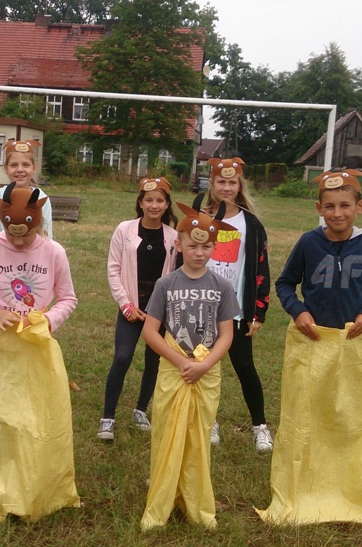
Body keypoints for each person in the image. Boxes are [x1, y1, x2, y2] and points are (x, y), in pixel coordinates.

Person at [261, 168, 362, 533]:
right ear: (319, 208)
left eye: (345, 206)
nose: (337, 213)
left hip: (352, 345)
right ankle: (304, 478)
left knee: (348, 414)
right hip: (312, 343)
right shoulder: (309, 243)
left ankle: (344, 479)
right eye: (329, 206)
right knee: (306, 411)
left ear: (359, 207)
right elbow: (285, 283)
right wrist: (299, 310)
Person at [0, 184, 79, 525]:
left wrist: (48, 321)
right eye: (13, 237)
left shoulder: (54, 252)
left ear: (39, 222)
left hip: (38, 348)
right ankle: (5, 488)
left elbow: (68, 298)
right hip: (2, 349)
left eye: (27, 237)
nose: (20, 243)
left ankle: (41, 484)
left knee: (40, 419)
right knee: (7, 420)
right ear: (3, 222)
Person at [140, 203, 240, 531]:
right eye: (192, 246)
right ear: (178, 244)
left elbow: (226, 335)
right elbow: (150, 331)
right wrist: (182, 361)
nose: (199, 252)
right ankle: (163, 500)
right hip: (174, 371)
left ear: (215, 247)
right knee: (168, 434)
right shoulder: (165, 285)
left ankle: (195, 501)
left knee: (198, 437)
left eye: (206, 246)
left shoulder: (222, 287)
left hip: (206, 374)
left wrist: (205, 364)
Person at [194, 157, 273, 452]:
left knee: (244, 366)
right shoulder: (201, 215)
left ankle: (260, 426)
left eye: (232, 182)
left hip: (235, 310)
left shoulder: (251, 224)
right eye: (221, 181)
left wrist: (258, 311)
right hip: (201, 306)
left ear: (240, 185)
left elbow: (261, 269)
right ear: (212, 184)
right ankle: (208, 420)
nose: (226, 187)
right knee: (204, 367)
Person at [98, 177, 178, 440]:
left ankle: (141, 408)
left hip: (158, 312)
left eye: (159, 200)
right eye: (149, 200)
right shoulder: (124, 230)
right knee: (122, 357)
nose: (154, 205)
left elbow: (175, 275)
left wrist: (163, 310)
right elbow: (113, 270)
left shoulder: (173, 237)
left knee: (154, 360)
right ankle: (108, 417)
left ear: (167, 205)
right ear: (140, 203)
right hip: (131, 308)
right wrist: (126, 305)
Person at [0, 138, 53, 246]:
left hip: (32, 260)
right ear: (6, 168)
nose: (20, 169)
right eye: (14, 165)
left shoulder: (41, 198)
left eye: (26, 165)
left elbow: (47, 239)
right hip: (0, 259)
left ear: (34, 168)